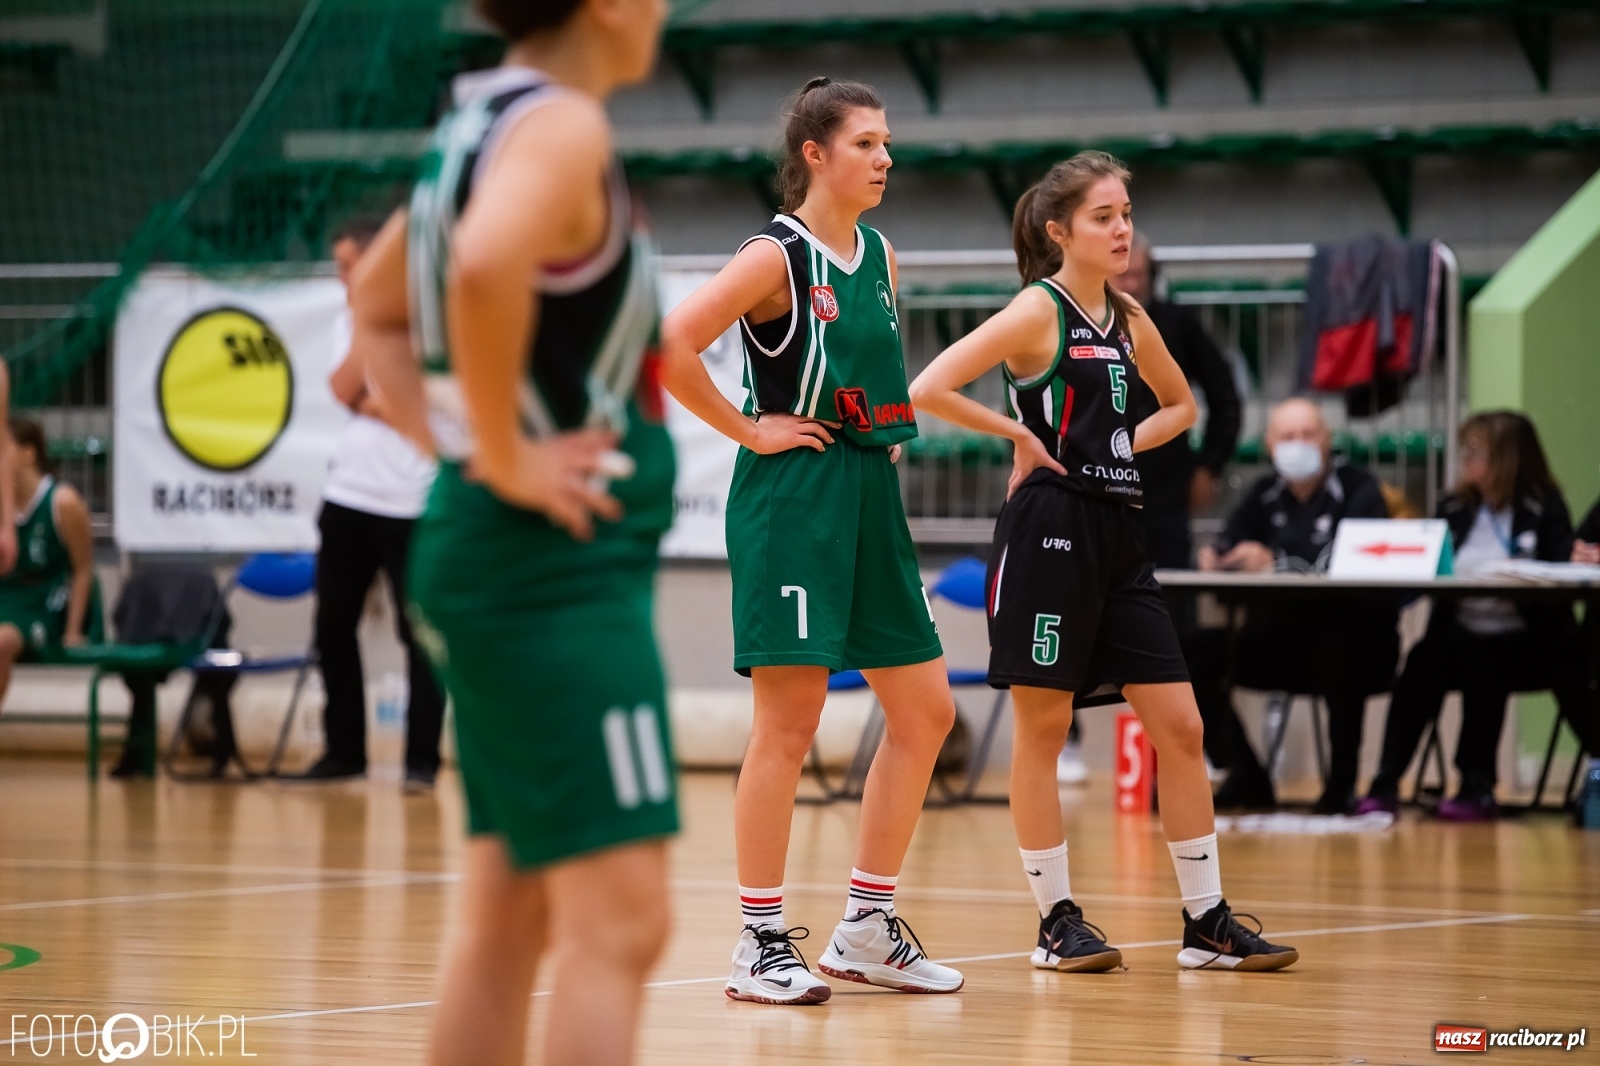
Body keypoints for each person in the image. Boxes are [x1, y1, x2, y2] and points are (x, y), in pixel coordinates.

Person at [349, 1, 678, 1062]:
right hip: (549, 577)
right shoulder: (562, 125)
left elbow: (376, 306)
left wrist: (461, 449)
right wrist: (502, 456)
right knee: (621, 922)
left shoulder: (478, 122)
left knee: (508, 917)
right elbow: (484, 266)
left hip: (501, 558)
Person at [909, 151, 1297, 973]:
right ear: (1060, 231)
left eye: (1126, 215)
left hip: (1121, 532)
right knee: (1044, 729)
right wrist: (1019, 435)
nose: (1123, 230)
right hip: (1048, 528)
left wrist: (1125, 440)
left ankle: (1206, 923)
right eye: (1104, 217)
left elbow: (1181, 405)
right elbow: (930, 388)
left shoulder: (1129, 316)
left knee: (1182, 726)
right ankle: (1055, 922)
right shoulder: (1035, 310)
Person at [661, 77, 964, 1004]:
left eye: (886, 142)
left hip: (868, 486)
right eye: (866, 143)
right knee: (788, 723)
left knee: (926, 711)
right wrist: (749, 430)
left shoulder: (881, 255)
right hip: (794, 495)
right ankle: (759, 943)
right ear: (815, 154)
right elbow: (670, 345)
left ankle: (866, 927)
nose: (884, 157)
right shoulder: (774, 256)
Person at [1358, 411, 1594, 821]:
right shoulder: (1454, 507)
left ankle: (1477, 785)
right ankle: (1386, 779)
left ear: (1506, 458)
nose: (1465, 458)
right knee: (1423, 659)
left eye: (1475, 450)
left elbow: (1561, 569)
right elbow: (1430, 563)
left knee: (1488, 660)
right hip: (1460, 632)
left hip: (1530, 639)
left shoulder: (1544, 507)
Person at [283, 216, 444, 790]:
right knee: (332, 625)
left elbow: (427, 405)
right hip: (348, 495)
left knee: (418, 634)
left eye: (350, 265)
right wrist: (368, 322)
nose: (342, 277)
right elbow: (343, 389)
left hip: (412, 501)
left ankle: (420, 762)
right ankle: (344, 751)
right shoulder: (349, 319)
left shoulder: (429, 318)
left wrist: (384, 399)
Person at [1192, 398, 1399, 815]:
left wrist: (1276, 561)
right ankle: (1246, 775)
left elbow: (1356, 562)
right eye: (1288, 436)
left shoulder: (1359, 489)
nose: (1298, 444)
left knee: (1342, 647)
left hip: (1354, 643)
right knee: (1190, 655)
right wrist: (1219, 558)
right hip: (1277, 641)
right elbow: (1230, 541)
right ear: (1270, 445)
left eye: (1308, 435)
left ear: (1327, 440)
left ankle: (1341, 787)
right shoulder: (1264, 494)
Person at [1117, 234, 1241, 569]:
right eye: (1122, 275)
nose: (1131, 285)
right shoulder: (1079, 325)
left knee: (1170, 582)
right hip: (1102, 478)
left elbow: (1224, 395)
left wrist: (1210, 465)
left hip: (1166, 482)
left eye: (1138, 275)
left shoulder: (1177, 323)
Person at [0, 420, 97, 709]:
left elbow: (83, 570)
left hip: (42, 603)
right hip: (6, 596)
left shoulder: (63, 502)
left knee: (2, 641)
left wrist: (73, 630)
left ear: (28, 454)